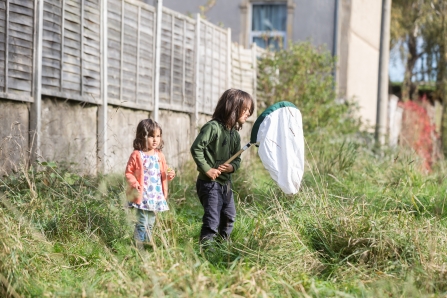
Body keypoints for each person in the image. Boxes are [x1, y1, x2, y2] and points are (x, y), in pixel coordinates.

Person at [190, 88, 254, 245]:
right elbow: (196, 148)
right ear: (233, 107)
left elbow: (237, 160)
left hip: (225, 185)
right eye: (245, 109)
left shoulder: (235, 135)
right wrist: (207, 169)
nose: (248, 114)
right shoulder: (213, 128)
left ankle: (222, 247)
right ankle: (206, 251)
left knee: (229, 216)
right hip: (210, 184)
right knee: (212, 220)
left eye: (249, 111)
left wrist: (232, 167)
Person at [125, 119, 175, 248]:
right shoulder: (137, 155)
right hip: (142, 196)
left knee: (151, 222)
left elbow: (164, 172)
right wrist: (134, 183)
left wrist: (169, 174)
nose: (155, 140)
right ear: (142, 136)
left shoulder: (159, 155)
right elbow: (128, 173)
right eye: (151, 136)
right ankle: (138, 246)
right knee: (142, 222)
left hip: (155, 196)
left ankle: (148, 244)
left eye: (158, 136)